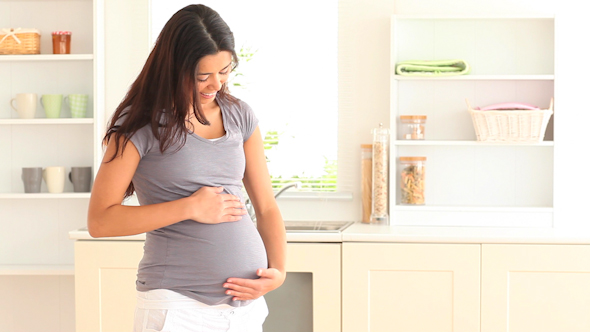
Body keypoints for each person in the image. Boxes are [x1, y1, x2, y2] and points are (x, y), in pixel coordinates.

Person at [87, 4, 286, 332]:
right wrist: (190, 207)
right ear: (174, 68)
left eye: (224, 71)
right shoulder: (140, 125)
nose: (216, 85)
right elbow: (100, 220)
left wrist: (277, 272)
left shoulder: (240, 116)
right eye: (202, 76)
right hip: (178, 308)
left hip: (245, 311)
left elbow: (265, 207)